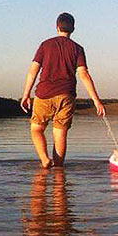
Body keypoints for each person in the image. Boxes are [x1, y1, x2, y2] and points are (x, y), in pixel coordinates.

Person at [21, 12, 106, 168]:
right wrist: (96, 100)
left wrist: (26, 94)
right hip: (66, 95)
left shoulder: (45, 45)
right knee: (60, 133)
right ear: (73, 28)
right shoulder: (77, 48)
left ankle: (45, 160)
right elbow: (84, 75)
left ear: (56, 27)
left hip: (44, 94)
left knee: (36, 129)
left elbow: (33, 70)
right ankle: (59, 170)